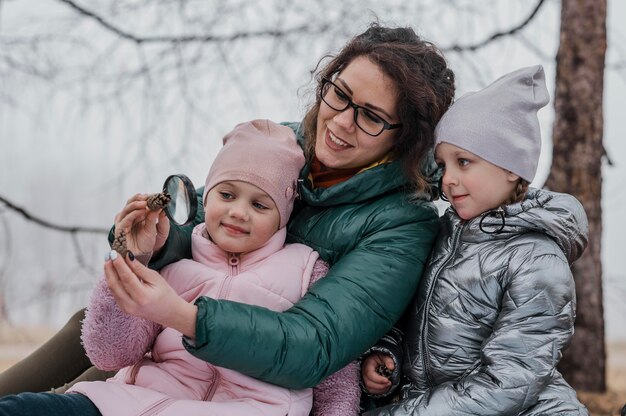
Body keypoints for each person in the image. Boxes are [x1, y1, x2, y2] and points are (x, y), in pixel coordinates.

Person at [0, 22, 455, 399]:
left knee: (82, 396)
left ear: (405, 138)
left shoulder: (401, 224)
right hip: (183, 340)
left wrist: (184, 315)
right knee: (90, 326)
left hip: (250, 379)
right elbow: (200, 221)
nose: (340, 121)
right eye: (339, 92)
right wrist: (154, 242)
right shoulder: (280, 143)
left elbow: (314, 345)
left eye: (371, 116)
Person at [0, 120, 361, 415]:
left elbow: (333, 376)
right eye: (227, 194)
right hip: (134, 403)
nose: (238, 212)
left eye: (260, 204)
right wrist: (133, 259)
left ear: (283, 214)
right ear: (208, 197)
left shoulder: (305, 271)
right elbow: (108, 353)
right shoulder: (180, 260)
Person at [360, 66, 590, 415]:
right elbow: (409, 314)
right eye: (443, 164)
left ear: (511, 167)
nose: (448, 179)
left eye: (464, 162)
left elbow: (510, 382)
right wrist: (388, 352)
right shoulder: (442, 237)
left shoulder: (537, 261)